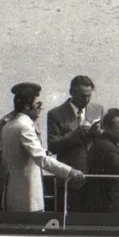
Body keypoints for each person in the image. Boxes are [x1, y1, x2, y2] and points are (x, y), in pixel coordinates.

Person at [0, 82, 86, 212]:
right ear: (27, 106)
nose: (41, 108)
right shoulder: (24, 127)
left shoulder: (8, 126)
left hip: (12, 194)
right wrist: (70, 171)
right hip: (27, 197)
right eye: (38, 104)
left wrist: (45, 152)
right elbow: (41, 159)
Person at [47, 75, 105, 211]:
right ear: (71, 93)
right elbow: (53, 146)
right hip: (70, 178)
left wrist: (99, 133)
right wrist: (76, 133)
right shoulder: (56, 114)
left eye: (89, 96)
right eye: (82, 96)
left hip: (95, 176)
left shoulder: (98, 109)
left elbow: (106, 139)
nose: (86, 100)